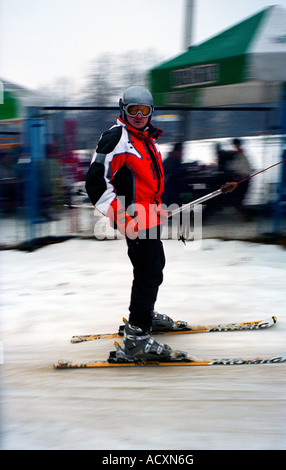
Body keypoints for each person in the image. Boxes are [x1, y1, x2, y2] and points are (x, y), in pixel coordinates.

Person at [85, 86, 175, 361]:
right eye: (133, 110)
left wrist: (158, 208)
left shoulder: (145, 138)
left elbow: (146, 182)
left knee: (152, 267)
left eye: (144, 110)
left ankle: (143, 316)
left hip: (148, 217)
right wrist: (121, 217)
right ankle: (137, 336)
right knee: (149, 270)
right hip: (134, 219)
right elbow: (96, 182)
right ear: (123, 110)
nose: (138, 115)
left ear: (151, 113)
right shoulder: (117, 138)